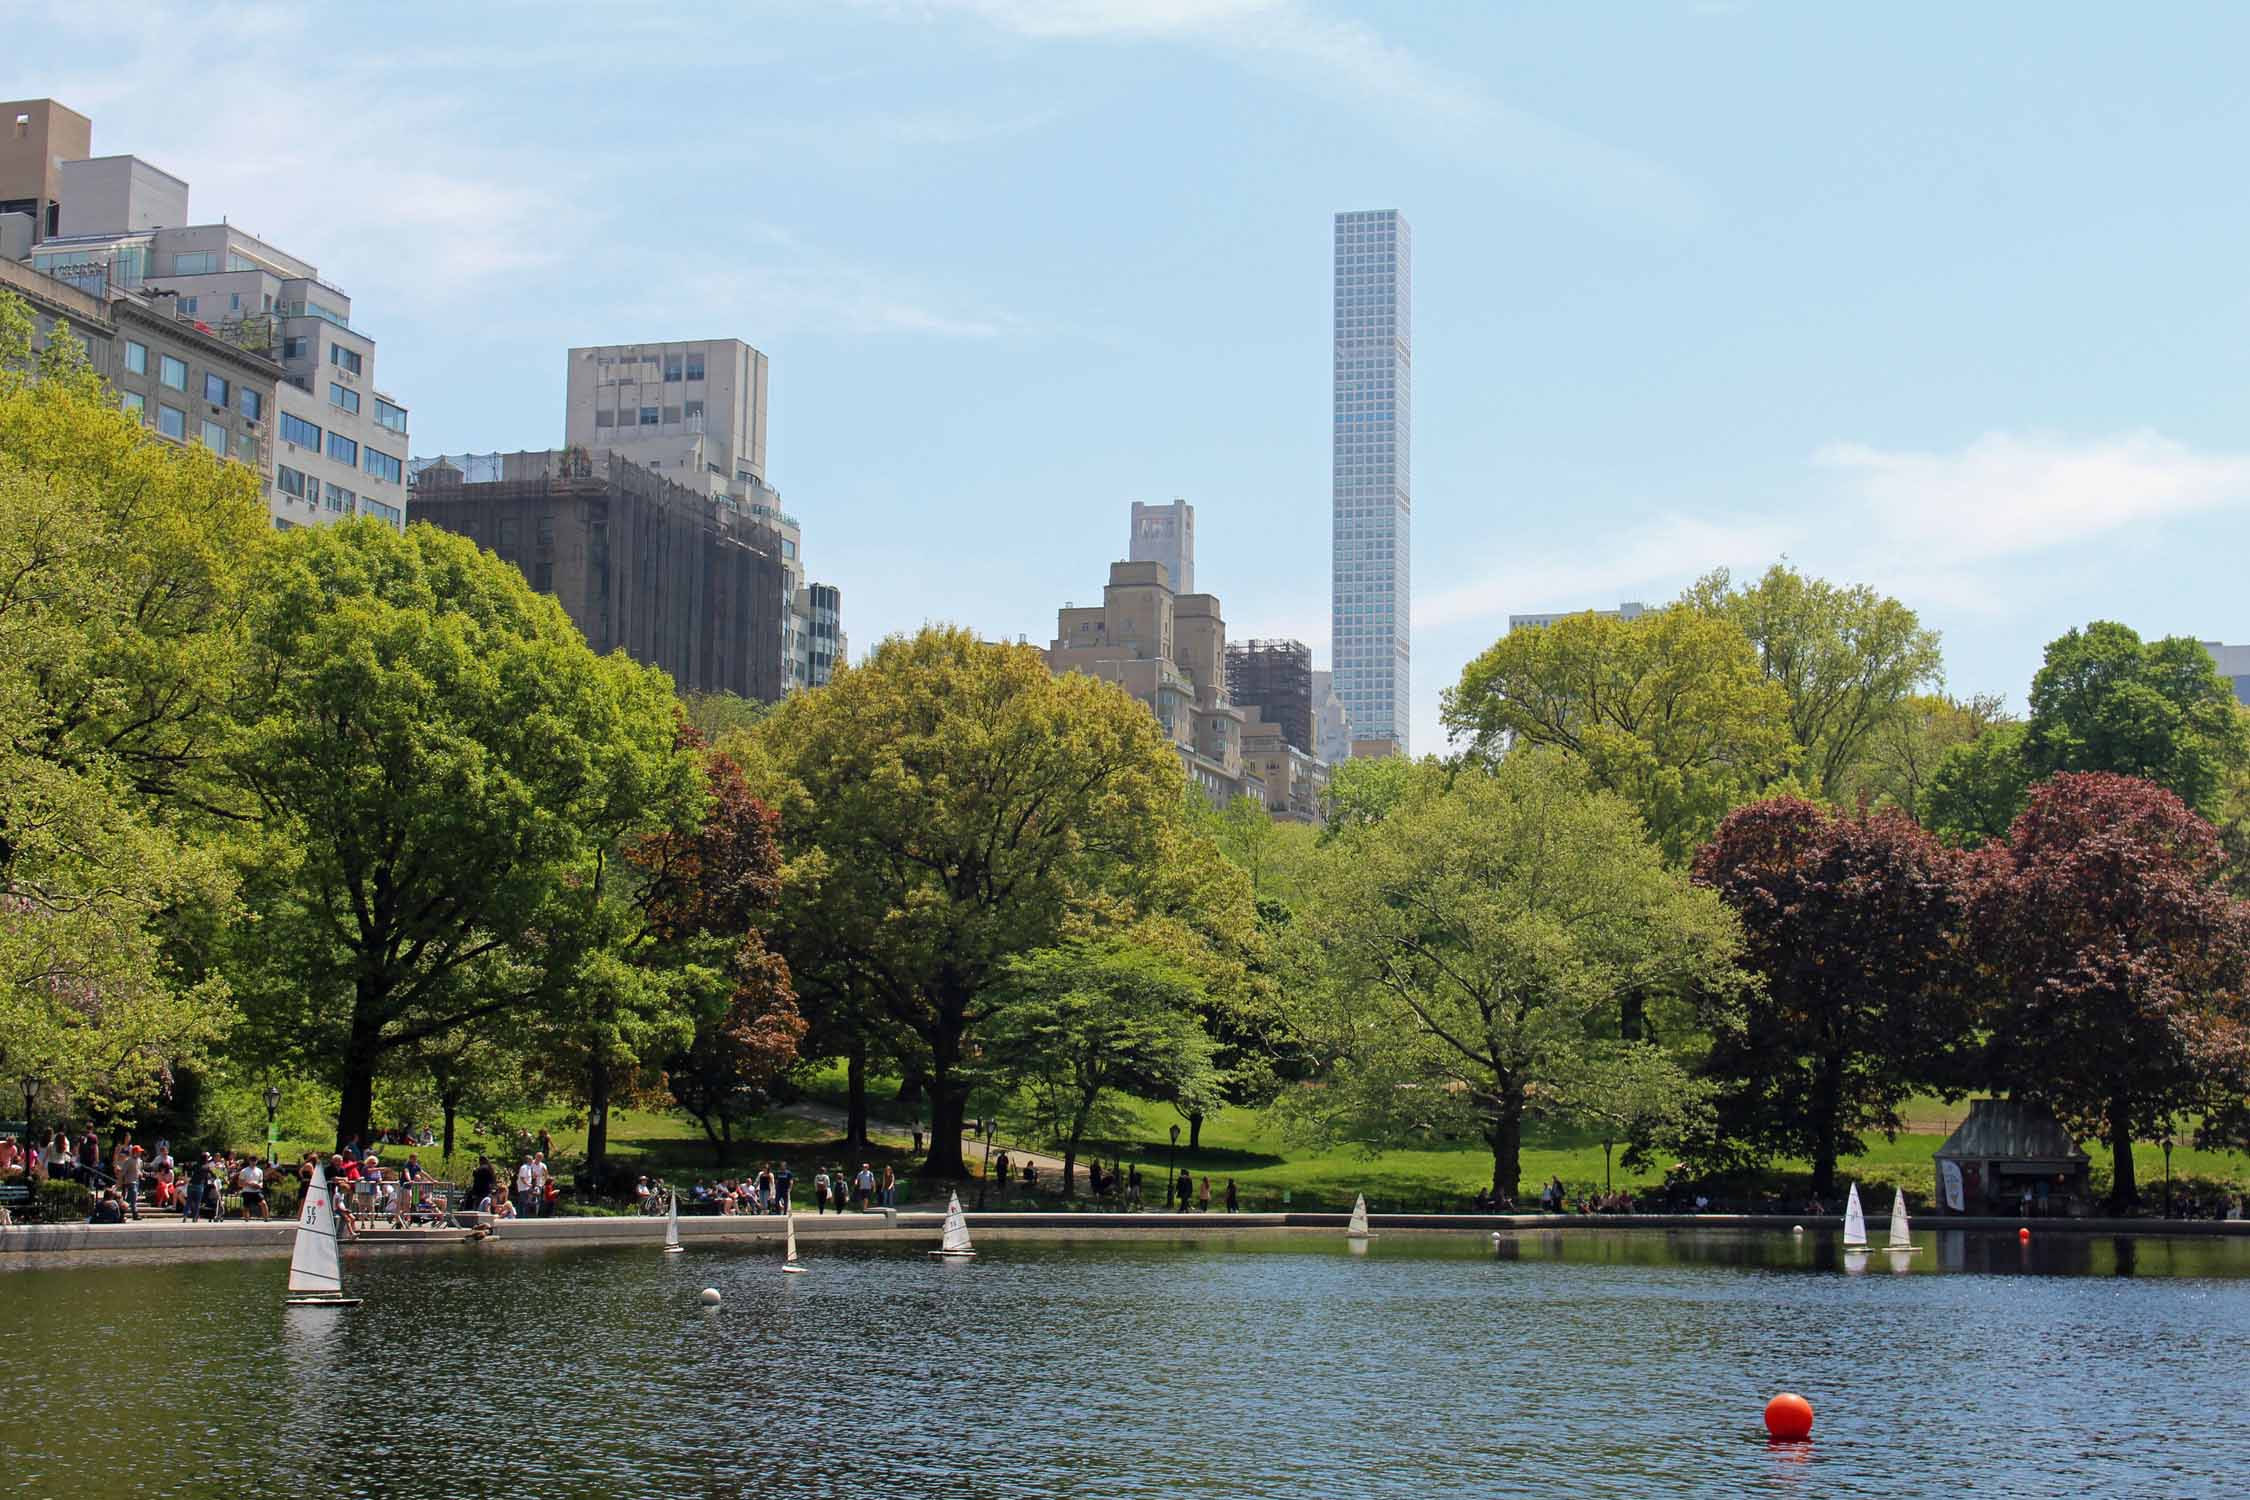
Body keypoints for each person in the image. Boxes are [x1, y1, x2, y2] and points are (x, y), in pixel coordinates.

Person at [115, 1144, 143, 1221]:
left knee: (133, 1199)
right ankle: (124, 1212)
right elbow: (123, 1172)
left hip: (136, 1181)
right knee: (130, 1198)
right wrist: (119, 1181)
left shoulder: (140, 1161)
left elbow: (139, 1170)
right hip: (130, 1182)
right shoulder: (128, 1161)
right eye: (138, 1152)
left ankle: (133, 1214)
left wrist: (141, 1174)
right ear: (134, 1152)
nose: (140, 1153)